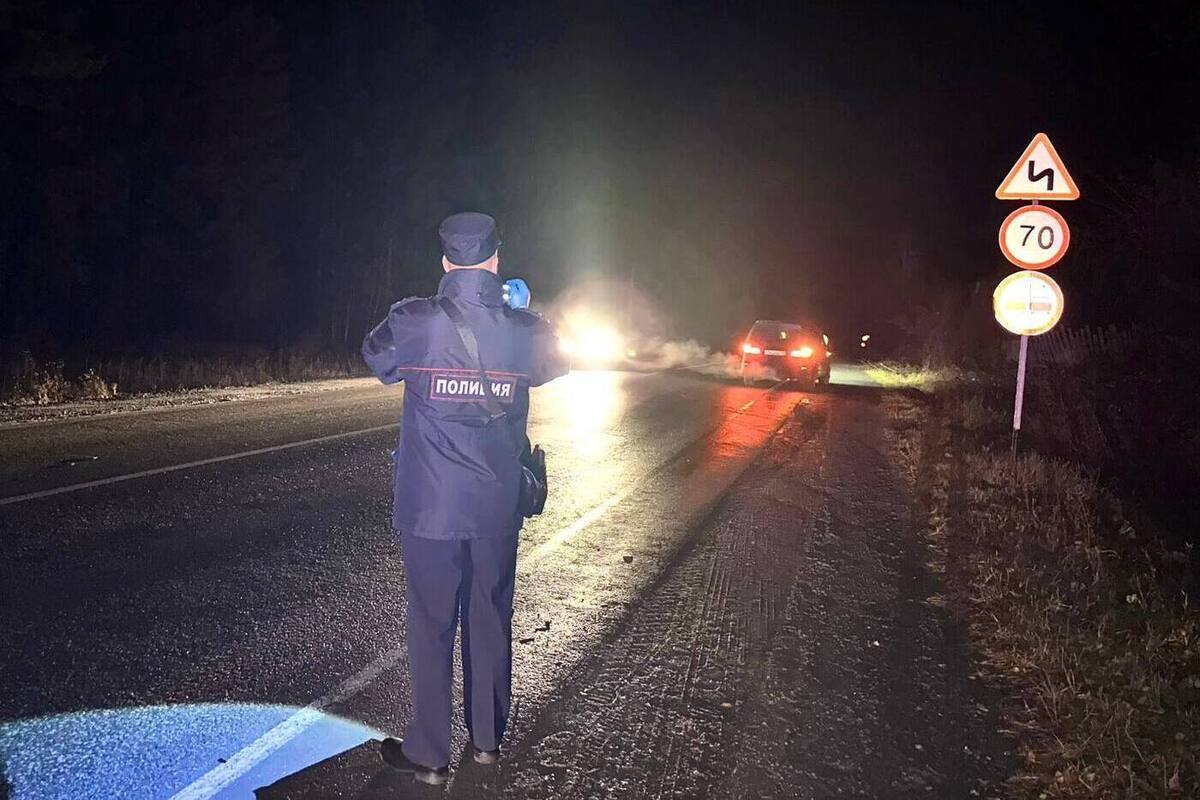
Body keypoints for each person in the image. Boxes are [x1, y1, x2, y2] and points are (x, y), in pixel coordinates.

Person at [362, 212, 570, 785]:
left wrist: (434, 308)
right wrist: (523, 309)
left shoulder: (414, 320)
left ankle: (430, 753)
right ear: (498, 260)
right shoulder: (521, 328)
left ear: (445, 262)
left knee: (431, 627)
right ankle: (486, 741)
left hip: (431, 507)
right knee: (490, 616)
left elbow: (374, 356)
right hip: (498, 506)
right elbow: (560, 357)